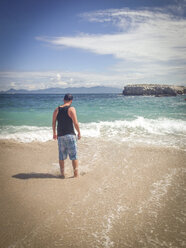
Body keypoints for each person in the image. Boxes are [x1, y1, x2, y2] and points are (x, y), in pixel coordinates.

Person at [52, 94, 81, 178]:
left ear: (63, 100)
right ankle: (75, 174)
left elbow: (54, 123)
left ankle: (62, 174)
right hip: (70, 135)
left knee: (61, 157)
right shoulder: (71, 109)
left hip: (60, 136)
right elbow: (75, 123)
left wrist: (54, 133)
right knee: (74, 156)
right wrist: (79, 132)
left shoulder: (57, 109)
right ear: (71, 100)